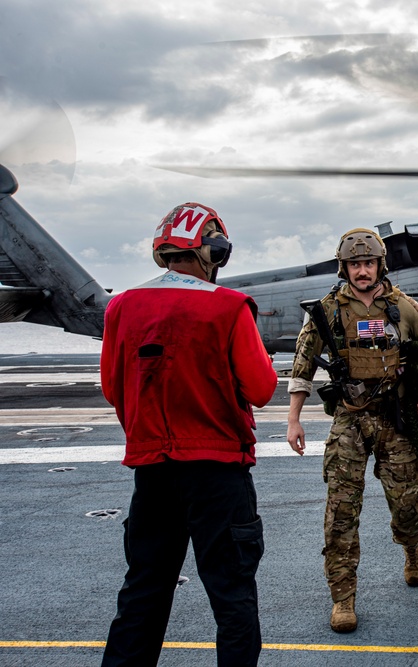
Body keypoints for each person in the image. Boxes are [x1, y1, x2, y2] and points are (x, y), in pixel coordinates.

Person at [100, 203, 278, 666]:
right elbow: (261, 390)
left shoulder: (121, 305)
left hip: (152, 472)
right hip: (219, 473)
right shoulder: (230, 306)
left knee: (142, 591)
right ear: (214, 250)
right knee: (231, 594)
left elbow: (111, 388)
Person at [286, 228, 418, 634]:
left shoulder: (404, 307)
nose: (361, 271)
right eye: (354, 264)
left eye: (367, 263)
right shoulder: (328, 309)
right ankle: (343, 598)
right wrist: (294, 418)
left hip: (395, 419)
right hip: (349, 421)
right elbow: (303, 364)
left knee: (407, 508)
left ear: (379, 265)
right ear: (346, 268)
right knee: (340, 513)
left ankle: (412, 545)